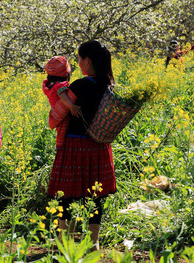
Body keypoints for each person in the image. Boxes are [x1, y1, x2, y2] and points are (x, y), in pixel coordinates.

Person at [47, 40, 117, 250]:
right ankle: (93, 242)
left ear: (87, 59)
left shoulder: (79, 85)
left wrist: (52, 115)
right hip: (98, 145)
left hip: (74, 145)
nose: (79, 63)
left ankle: (63, 239)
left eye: (79, 59)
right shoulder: (108, 85)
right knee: (96, 196)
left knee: (65, 193)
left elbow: (56, 117)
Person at [42, 56, 81, 148]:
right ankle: (61, 147)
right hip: (63, 113)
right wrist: (71, 106)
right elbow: (63, 96)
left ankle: (60, 146)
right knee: (64, 130)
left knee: (60, 131)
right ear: (66, 74)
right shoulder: (60, 85)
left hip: (56, 112)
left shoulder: (50, 85)